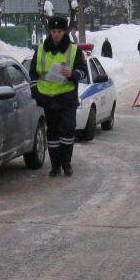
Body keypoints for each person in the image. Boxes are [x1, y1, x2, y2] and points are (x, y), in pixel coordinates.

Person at [29, 16, 87, 177]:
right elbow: (33, 72)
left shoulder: (74, 50)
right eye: (53, 31)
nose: (56, 34)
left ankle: (66, 163)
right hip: (47, 98)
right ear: (50, 32)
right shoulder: (40, 49)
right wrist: (36, 92)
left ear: (64, 32)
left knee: (67, 131)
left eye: (59, 31)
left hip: (66, 97)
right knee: (52, 134)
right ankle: (55, 166)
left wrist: (73, 74)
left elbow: (83, 71)